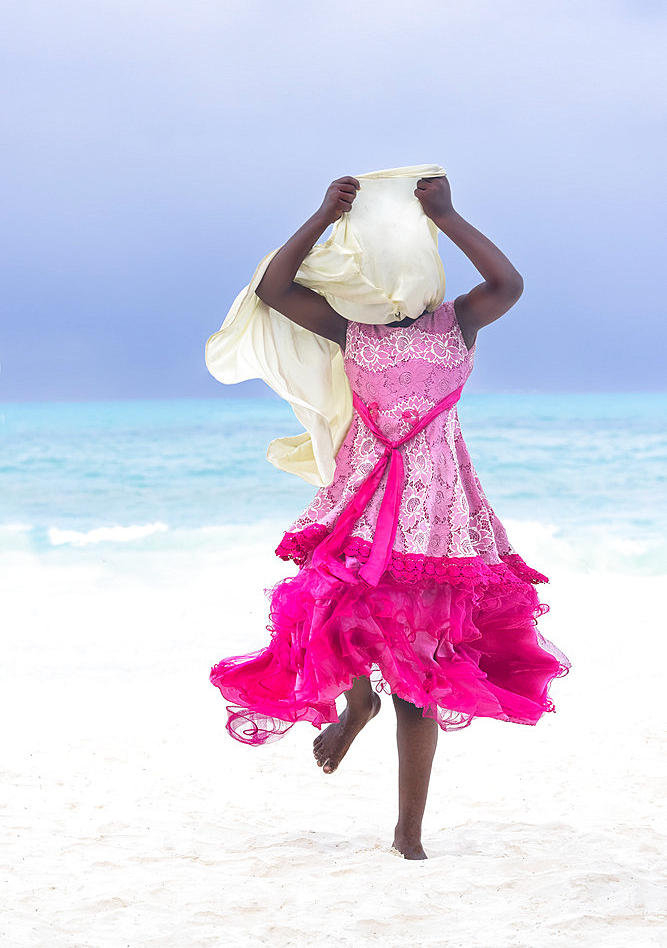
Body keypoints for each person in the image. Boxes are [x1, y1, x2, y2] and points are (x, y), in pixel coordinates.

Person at [210, 174, 570, 860]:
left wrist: (448, 214)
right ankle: (355, 706)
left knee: (419, 676)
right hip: (364, 498)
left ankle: (408, 834)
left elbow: (509, 283)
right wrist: (322, 212)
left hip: (435, 511)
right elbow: (273, 290)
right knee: (330, 619)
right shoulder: (354, 331)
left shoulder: (456, 321)